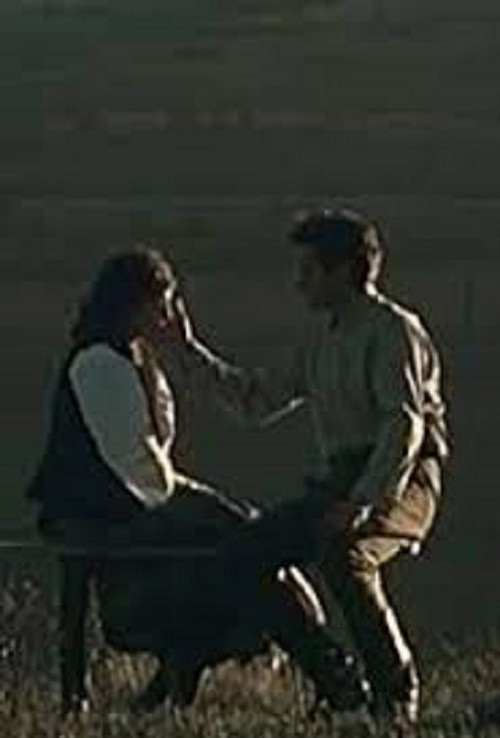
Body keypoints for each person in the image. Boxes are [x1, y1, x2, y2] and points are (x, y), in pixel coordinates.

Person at [26, 247, 369, 714]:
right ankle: (331, 673)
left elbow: (157, 447)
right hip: (106, 512)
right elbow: (141, 470)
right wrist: (202, 510)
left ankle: (329, 674)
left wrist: (171, 356)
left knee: (246, 544)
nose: (169, 315)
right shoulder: (99, 363)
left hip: (136, 501)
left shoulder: (136, 358)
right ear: (136, 305)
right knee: (243, 554)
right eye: (162, 304)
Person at [165, 206, 450, 730]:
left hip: (405, 478)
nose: (299, 282)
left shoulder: (394, 331)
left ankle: (396, 692)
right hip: (342, 479)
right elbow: (255, 400)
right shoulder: (320, 341)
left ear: (343, 271)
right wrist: (186, 352)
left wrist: (364, 501)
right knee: (246, 552)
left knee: (345, 555)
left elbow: (403, 427)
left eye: (309, 269)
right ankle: (336, 680)